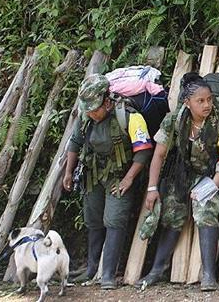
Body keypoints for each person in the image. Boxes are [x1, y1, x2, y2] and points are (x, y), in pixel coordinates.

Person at [138, 73, 219, 291]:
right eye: (200, 101)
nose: (207, 105)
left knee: (206, 212)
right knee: (171, 211)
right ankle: (157, 270)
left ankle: (209, 275)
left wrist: (209, 187)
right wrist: (152, 188)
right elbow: (159, 154)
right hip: (183, 174)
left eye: (209, 100)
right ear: (187, 102)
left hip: (212, 177)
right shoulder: (175, 119)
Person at [62, 74, 154, 289]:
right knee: (93, 219)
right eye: (89, 110)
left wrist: (129, 179)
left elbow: (144, 151)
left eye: (95, 109)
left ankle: (109, 275)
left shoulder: (129, 117)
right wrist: (68, 172)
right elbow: (74, 144)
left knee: (114, 220)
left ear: (107, 101)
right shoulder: (86, 117)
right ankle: (92, 268)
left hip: (119, 176)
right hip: (93, 175)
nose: (92, 114)